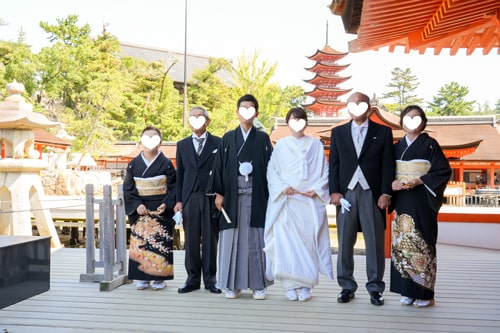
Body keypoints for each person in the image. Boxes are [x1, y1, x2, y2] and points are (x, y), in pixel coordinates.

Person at [329, 91, 394, 306]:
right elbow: (334, 164)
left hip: (372, 193)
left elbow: (387, 164)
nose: (357, 106)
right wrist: (334, 192)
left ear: (369, 107)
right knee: (344, 240)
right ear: (347, 107)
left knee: (374, 241)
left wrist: (386, 192)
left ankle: (375, 288)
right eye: (353, 103)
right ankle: (346, 286)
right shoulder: (338, 132)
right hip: (346, 193)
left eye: (361, 103)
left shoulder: (383, 132)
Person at [264, 107, 334, 302]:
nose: (297, 123)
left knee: (308, 242)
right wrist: (283, 187)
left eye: (300, 119)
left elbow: (324, 171)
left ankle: (306, 285)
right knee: (286, 244)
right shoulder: (281, 145)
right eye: (293, 120)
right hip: (286, 201)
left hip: (308, 201)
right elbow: (272, 171)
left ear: (306, 122)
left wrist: (318, 189)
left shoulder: (316, 145)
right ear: (288, 123)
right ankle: (289, 284)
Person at [210, 93, 273, 300]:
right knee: (231, 239)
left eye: (251, 109)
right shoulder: (228, 138)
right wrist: (218, 193)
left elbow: (271, 168)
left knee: (256, 240)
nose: (246, 113)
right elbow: (218, 166)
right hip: (231, 195)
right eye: (243, 109)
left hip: (256, 196)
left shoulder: (263, 138)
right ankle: (231, 285)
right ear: (237, 112)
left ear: (257, 113)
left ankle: (258, 285)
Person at [390, 105, 451, 307]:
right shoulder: (396, 146)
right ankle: (406, 291)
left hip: (422, 199)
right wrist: (392, 183)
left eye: (417, 118)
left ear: (423, 122)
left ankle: (425, 294)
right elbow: (388, 171)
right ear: (401, 122)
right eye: (408, 118)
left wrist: (421, 180)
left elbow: (443, 171)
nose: (412, 122)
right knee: (401, 243)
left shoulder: (431, 144)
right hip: (402, 199)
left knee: (422, 243)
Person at [174, 106, 222, 294]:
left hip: (210, 197)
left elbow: (222, 172)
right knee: (191, 239)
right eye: (192, 117)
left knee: (211, 239)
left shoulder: (218, 142)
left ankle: (211, 280)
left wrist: (220, 193)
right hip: (190, 197)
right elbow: (180, 174)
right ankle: (192, 279)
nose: (195, 120)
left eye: (199, 117)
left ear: (207, 121)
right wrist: (179, 200)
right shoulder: (182, 144)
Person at [123, 126, 177, 291]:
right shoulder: (133, 164)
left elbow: (174, 187)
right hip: (141, 208)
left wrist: (167, 203)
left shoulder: (167, 164)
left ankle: (159, 278)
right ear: (141, 141)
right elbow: (128, 188)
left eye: (154, 137)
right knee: (141, 243)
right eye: (147, 137)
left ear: (160, 142)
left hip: (161, 207)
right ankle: (142, 278)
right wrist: (137, 204)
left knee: (160, 242)